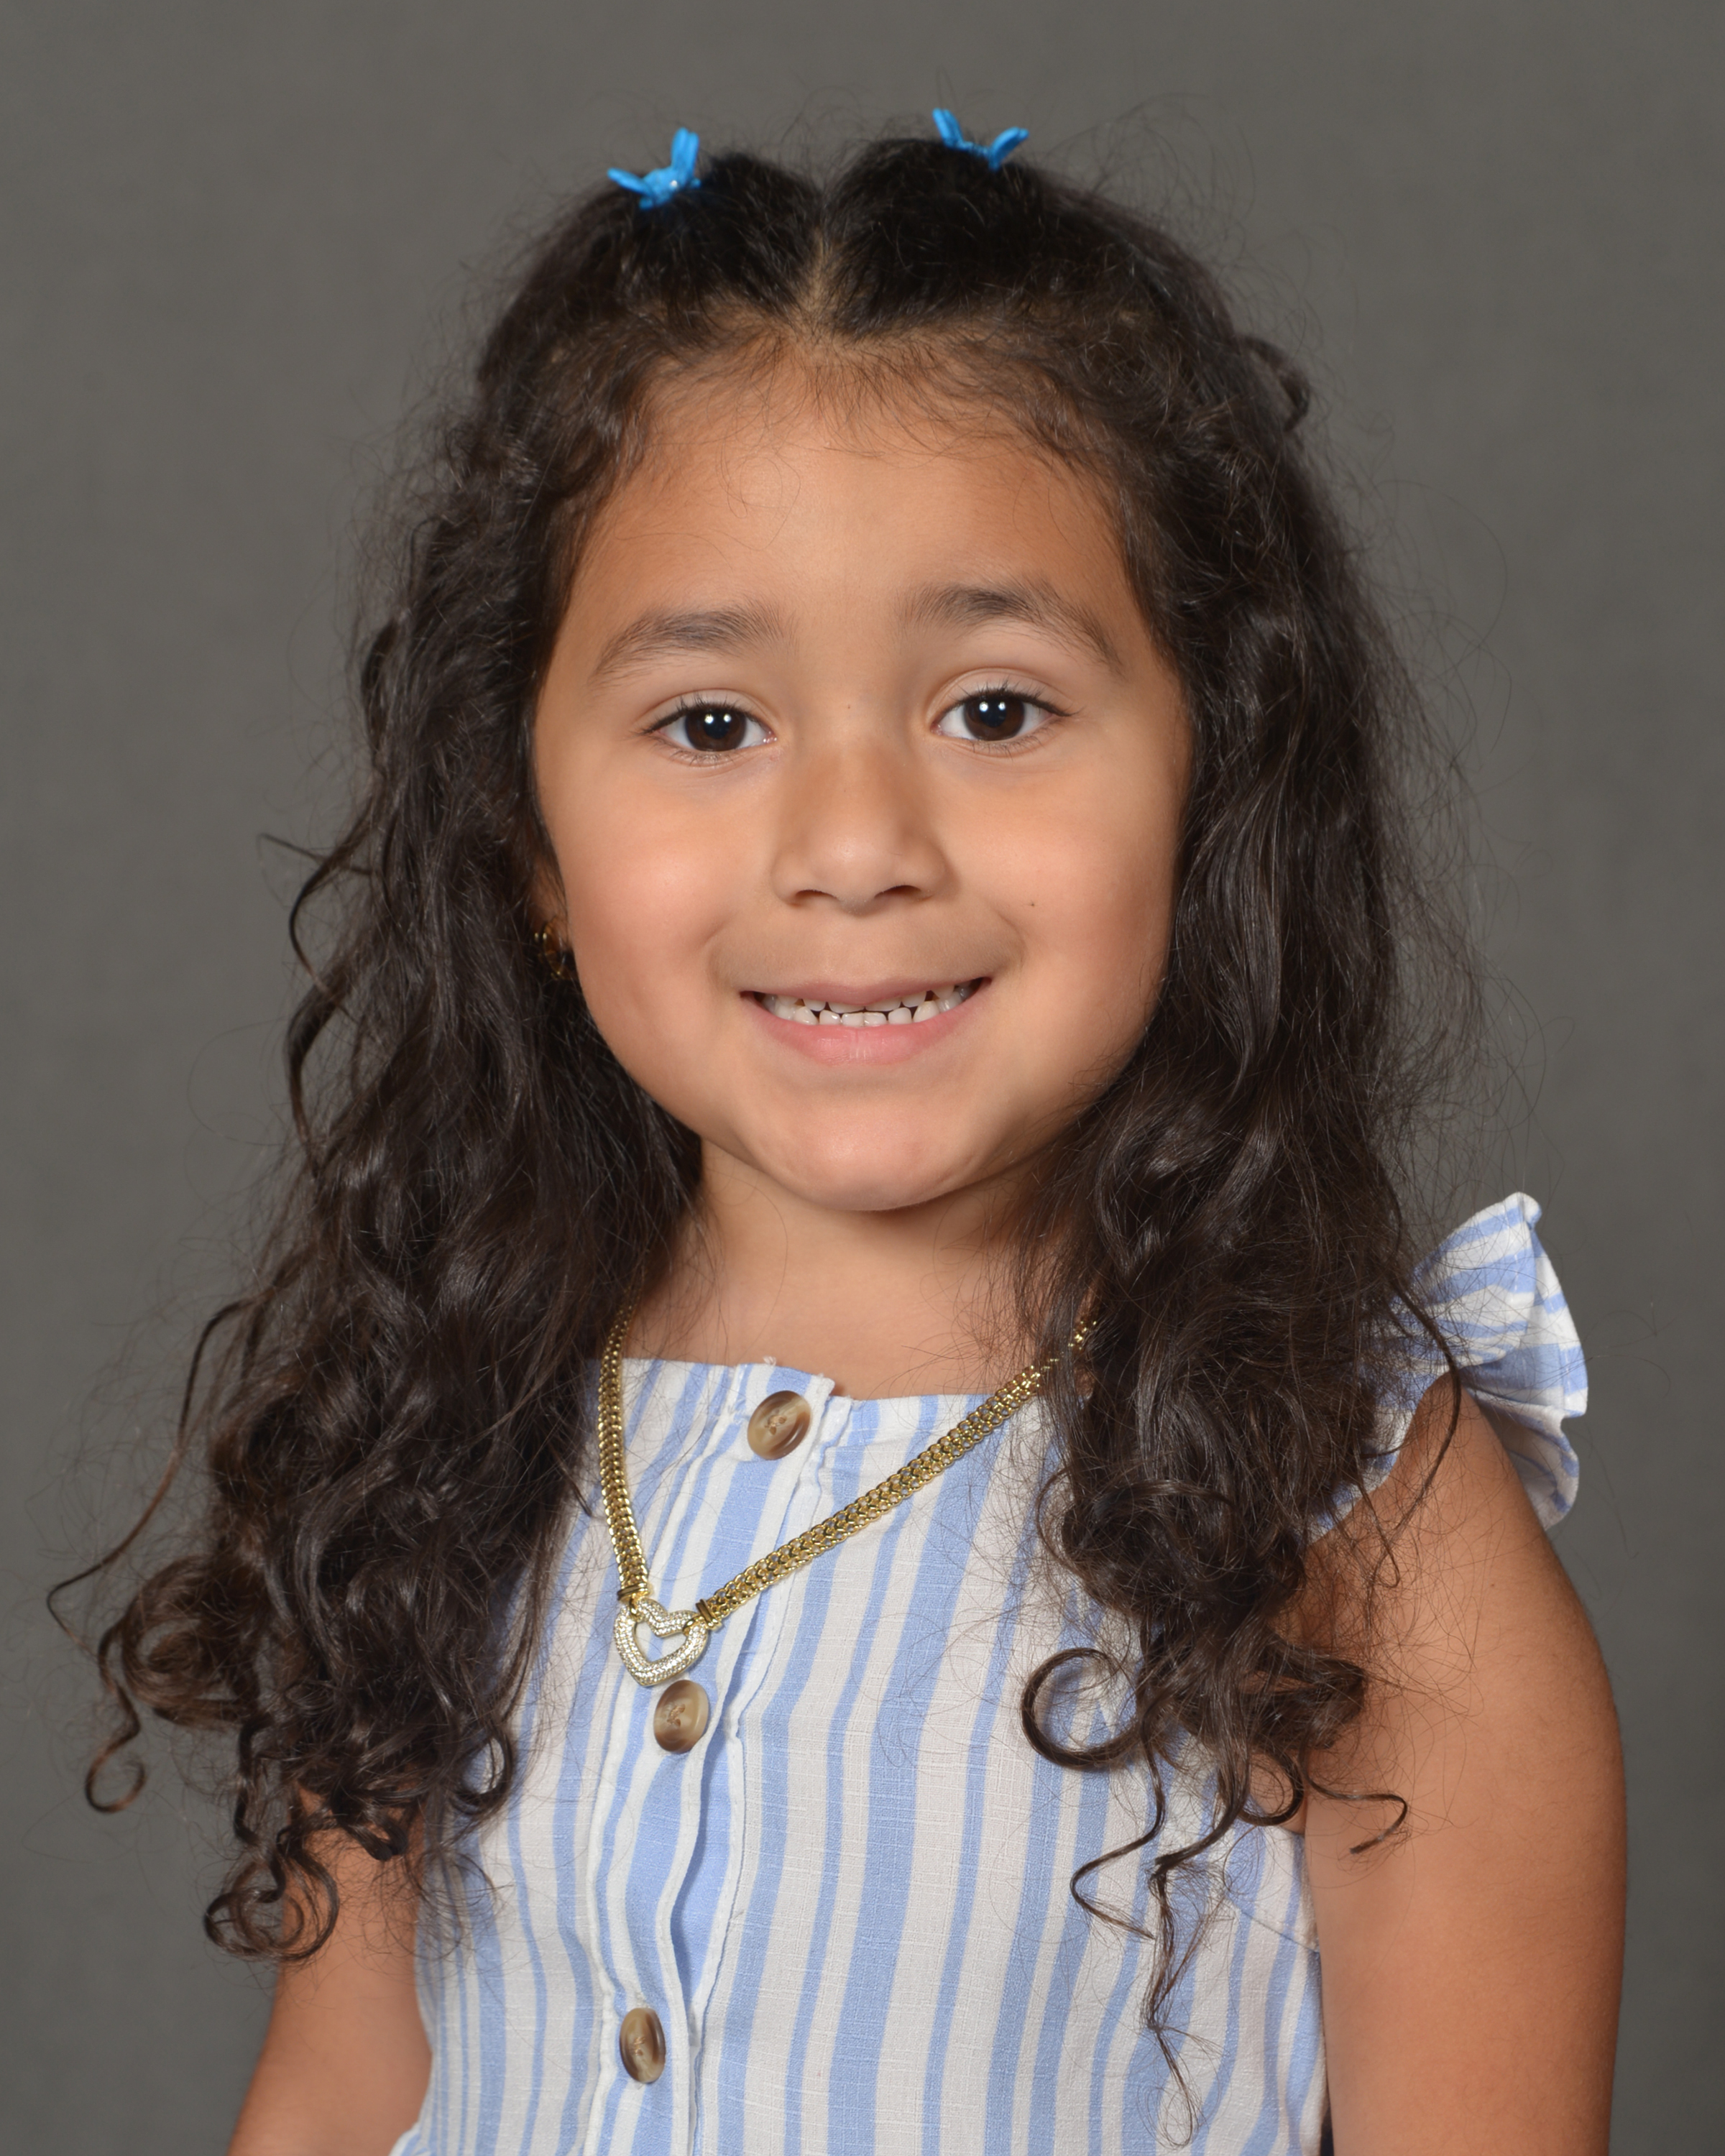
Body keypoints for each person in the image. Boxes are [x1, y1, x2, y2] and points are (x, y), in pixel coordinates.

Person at [84, 114, 1625, 2155]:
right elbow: (340, 2094)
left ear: (1214, 778)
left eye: (994, 709)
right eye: (711, 725)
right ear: (527, 841)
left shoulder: (1352, 1502)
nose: (855, 847)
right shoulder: (457, 1423)